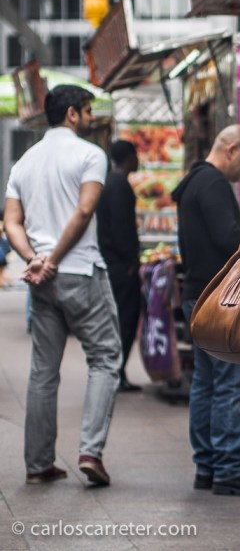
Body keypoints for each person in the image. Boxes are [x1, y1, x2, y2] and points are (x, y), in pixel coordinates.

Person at [4, 84, 122, 487]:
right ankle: (90, 450)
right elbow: (85, 208)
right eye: (87, 111)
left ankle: (38, 464)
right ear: (72, 114)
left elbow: (11, 223)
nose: (91, 119)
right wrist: (53, 258)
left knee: (42, 372)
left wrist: (33, 258)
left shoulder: (23, 162)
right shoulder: (90, 155)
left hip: (42, 279)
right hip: (80, 271)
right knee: (106, 357)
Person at [171, 124, 240, 497]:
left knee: (205, 384)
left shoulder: (192, 181)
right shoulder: (212, 185)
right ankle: (228, 467)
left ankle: (207, 465)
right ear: (229, 148)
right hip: (220, 299)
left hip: (197, 295)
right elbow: (230, 241)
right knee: (228, 384)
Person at [96, 140, 142, 392]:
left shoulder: (108, 183)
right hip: (119, 267)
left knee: (118, 320)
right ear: (129, 157)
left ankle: (117, 372)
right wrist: (130, 263)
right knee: (124, 320)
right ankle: (116, 372)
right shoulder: (119, 186)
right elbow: (121, 229)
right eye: (136, 155)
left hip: (112, 263)